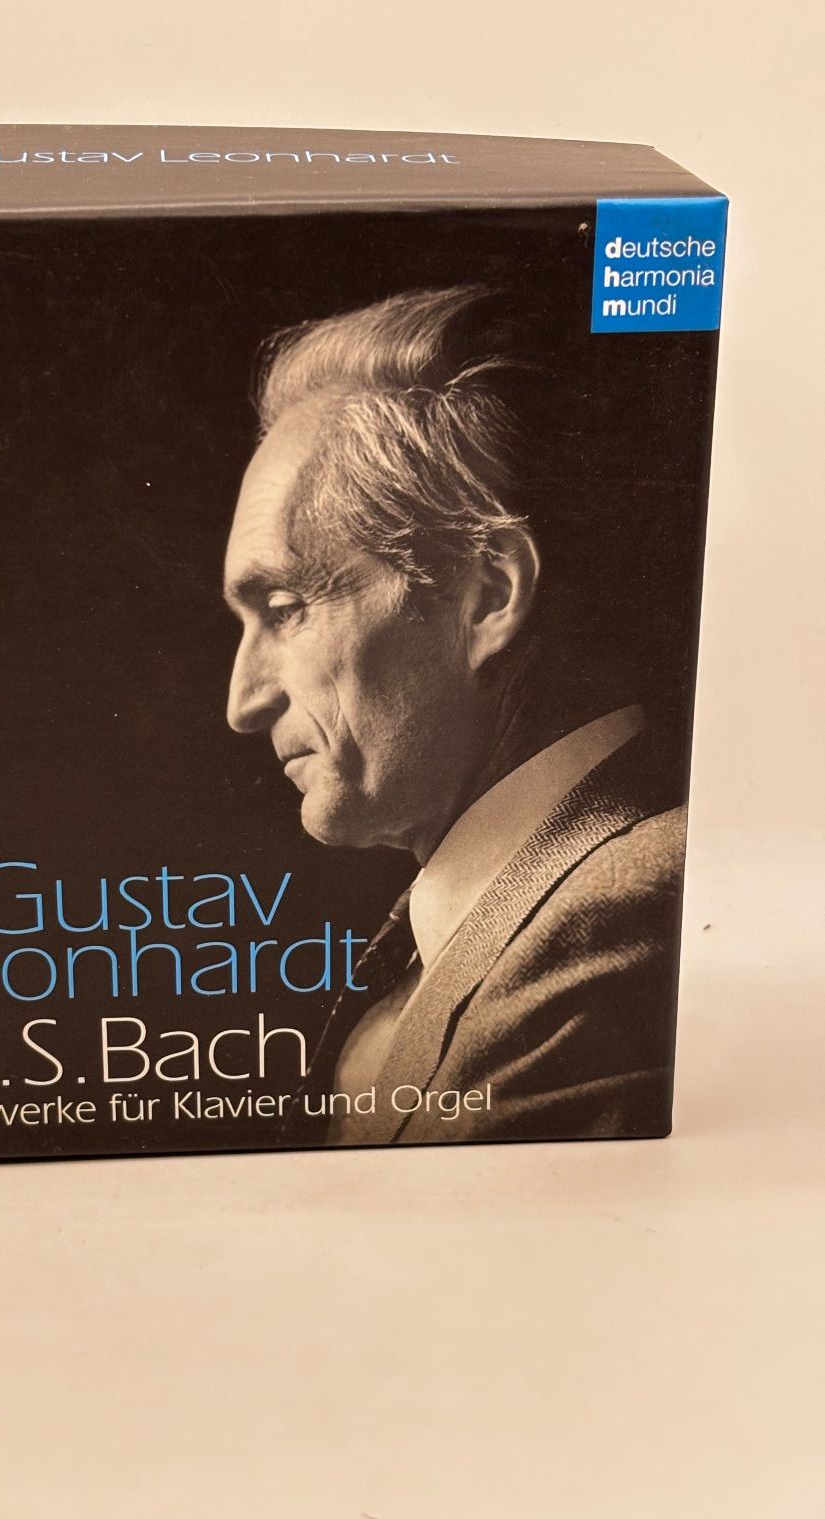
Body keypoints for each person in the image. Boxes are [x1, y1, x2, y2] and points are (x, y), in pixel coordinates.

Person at [222, 286, 687, 1146]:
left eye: (285, 608)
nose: (243, 704)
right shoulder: (506, 921)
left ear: (489, 596)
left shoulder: (623, 918)